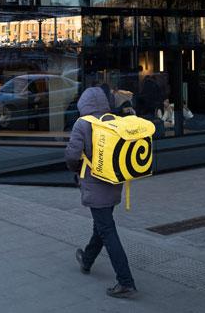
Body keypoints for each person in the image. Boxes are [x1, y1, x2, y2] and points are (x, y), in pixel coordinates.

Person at [65, 86, 137, 299]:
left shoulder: (82, 123)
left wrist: (76, 169)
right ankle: (87, 260)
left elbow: (72, 155)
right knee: (102, 225)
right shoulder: (113, 120)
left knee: (107, 230)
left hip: (94, 184)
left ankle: (126, 282)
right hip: (114, 182)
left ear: (83, 104)